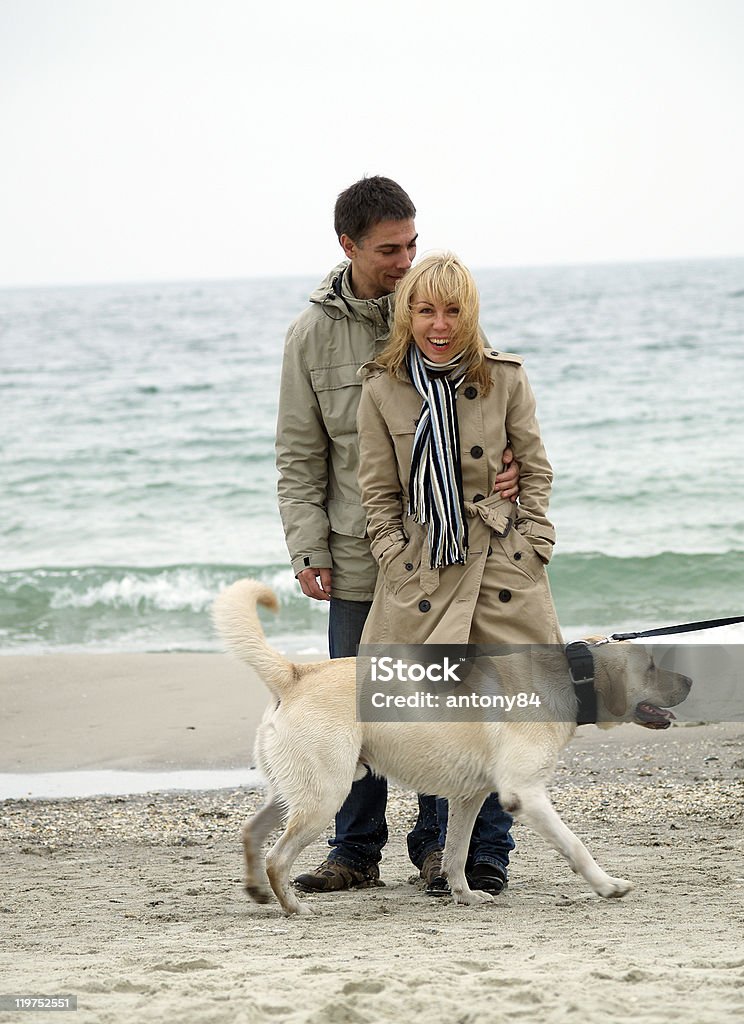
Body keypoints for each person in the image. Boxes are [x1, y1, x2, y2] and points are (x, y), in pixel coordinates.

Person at [275, 177, 520, 894]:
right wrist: (308, 547)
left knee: (457, 702)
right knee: (361, 703)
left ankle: (448, 851)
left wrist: (507, 471)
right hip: (359, 553)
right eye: (390, 249)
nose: (405, 259)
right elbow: (298, 454)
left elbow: (493, 407)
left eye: (412, 243)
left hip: (450, 555)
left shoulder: (438, 309)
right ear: (347, 245)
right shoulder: (310, 337)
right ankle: (354, 851)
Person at [357, 251, 564, 895]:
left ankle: (486, 856)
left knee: (512, 712)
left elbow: (535, 469)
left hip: (501, 566)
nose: (439, 325)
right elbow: (376, 492)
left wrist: (532, 541)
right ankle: (429, 849)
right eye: (424, 311)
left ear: (470, 315)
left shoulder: (504, 379)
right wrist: (394, 556)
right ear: (407, 315)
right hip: (423, 574)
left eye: (452, 311)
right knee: (425, 715)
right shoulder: (382, 387)